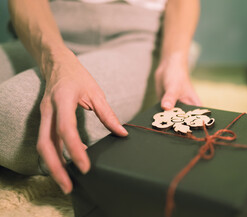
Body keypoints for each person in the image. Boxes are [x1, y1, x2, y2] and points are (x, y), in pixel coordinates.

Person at [0, 0, 201, 194]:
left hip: (140, 35)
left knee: (10, 116)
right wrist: (56, 60)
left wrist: (175, 58)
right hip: (48, 26)